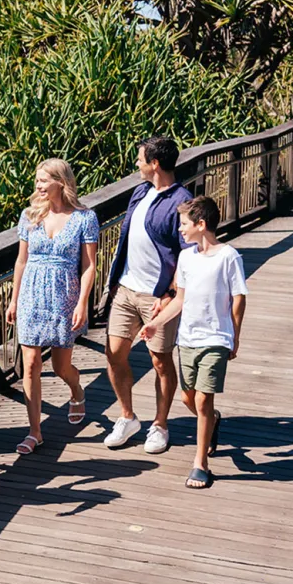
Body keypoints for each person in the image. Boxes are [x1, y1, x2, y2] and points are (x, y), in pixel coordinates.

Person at [139, 196, 247, 488]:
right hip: (187, 338)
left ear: (201, 224)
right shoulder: (187, 258)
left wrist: (234, 336)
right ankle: (212, 421)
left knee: (201, 399)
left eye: (184, 224)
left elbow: (239, 298)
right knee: (188, 397)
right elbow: (180, 300)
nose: (180, 230)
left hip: (215, 338)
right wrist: (155, 324)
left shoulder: (228, 257)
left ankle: (200, 464)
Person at [102, 136, 193, 453]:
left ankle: (160, 424)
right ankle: (127, 417)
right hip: (126, 289)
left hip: (157, 296)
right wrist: (115, 280)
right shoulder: (140, 192)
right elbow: (127, 239)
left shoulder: (182, 201)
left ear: (155, 164)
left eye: (140, 159)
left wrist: (170, 293)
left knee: (160, 361)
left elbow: (187, 253)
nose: (136, 165)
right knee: (114, 354)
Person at [5, 159, 97, 454]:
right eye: (37, 180)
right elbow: (21, 260)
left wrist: (82, 303)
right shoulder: (29, 216)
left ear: (61, 182)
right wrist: (14, 298)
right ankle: (35, 432)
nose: (39, 186)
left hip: (64, 296)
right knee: (31, 364)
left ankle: (76, 388)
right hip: (31, 294)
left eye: (44, 180)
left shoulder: (85, 218)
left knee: (60, 366)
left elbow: (89, 265)